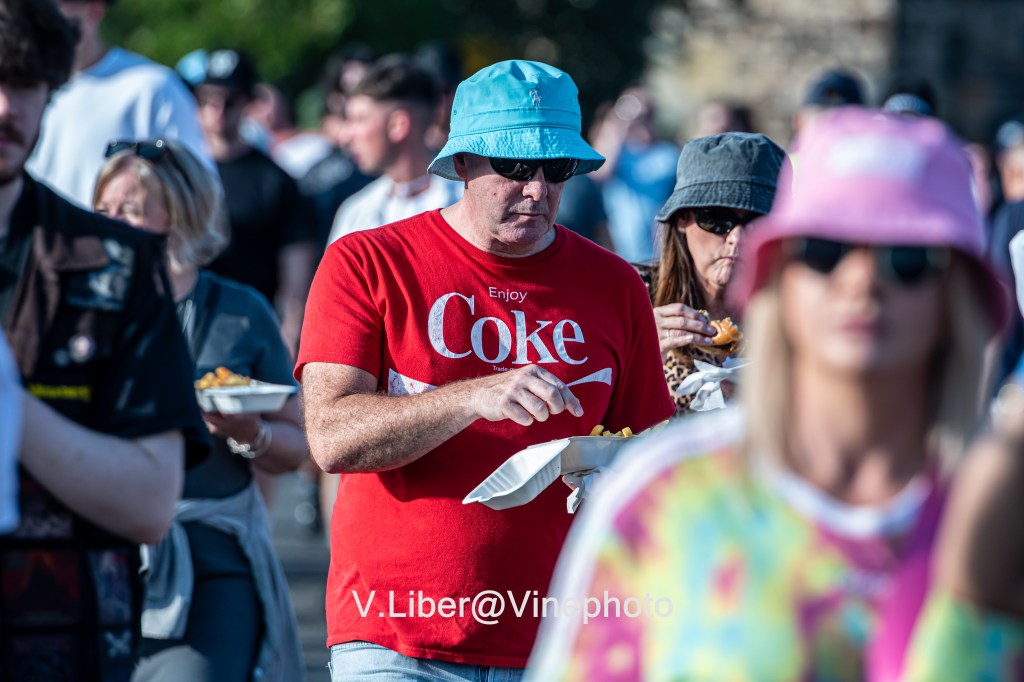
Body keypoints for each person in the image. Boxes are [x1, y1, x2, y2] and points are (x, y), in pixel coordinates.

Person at [528, 108, 1017, 680]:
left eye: (908, 259)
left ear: (960, 296)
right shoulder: (663, 495)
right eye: (824, 252)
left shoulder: (1000, 506)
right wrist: (636, 347)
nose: (861, 281)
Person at [297, 59, 676, 680]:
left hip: (557, 639)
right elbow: (331, 438)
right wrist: (471, 397)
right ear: (463, 163)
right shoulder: (367, 261)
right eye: (517, 167)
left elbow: (648, 464)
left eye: (558, 168)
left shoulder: (615, 285)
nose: (539, 190)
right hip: (395, 636)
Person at [0, 1, 208, 677]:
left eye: (24, 82)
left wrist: (10, 404)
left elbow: (150, 505)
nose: (5, 107)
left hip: (62, 638)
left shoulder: (117, 263)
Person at [91, 138, 306, 681]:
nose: (110, 223)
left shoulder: (240, 310)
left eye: (129, 209)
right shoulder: (77, 306)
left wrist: (249, 431)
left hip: (208, 555)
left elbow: (299, 447)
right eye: (102, 209)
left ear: (177, 213)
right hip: (93, 552)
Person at [177, 48, 315, 355]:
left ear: (248, 104)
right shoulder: (181, 173)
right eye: (207, 99)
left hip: (248, 329)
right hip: (182, 324)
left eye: (230, 100)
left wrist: (289, 334)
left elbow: (295, 264)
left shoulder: (274, 178)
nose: (218, 110)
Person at [640, 132, 785, 414]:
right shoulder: (633, 296)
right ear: (682, 219)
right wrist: (635, 353)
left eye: (759, 221)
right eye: (718, 219)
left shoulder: (799, 307)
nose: (737, 238)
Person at [26, 0, 212, 206]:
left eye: (56, 6)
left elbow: (197, 195)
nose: (41, 17)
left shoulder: (152, 87)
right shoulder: (18, 92)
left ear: (95, 10)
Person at [326, 54, 463, 244]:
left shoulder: (466, 202)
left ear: (398, 125)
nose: (346, 136)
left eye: (359, 119)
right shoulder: (356, 213)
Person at [589, 85, 679, 263]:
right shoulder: (617, 153)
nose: (638, 121)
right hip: (615, 250)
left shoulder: (669, 155)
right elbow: (598, 174)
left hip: (657, 252)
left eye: (644, 116)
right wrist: (619, 123)